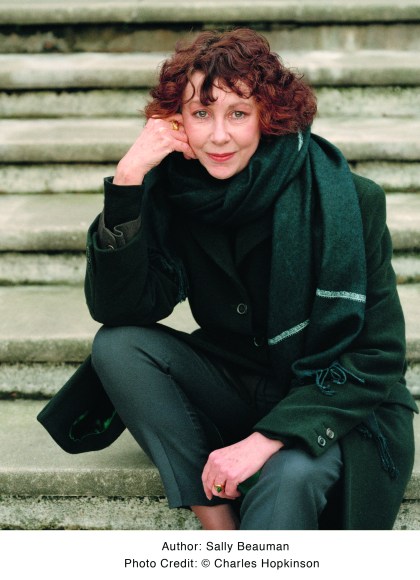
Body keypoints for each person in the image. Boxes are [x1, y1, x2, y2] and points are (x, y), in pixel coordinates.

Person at [38, 28, 418, 530]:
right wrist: (129, 179)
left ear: (268, 115)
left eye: (238, 114)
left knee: (290, 475)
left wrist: (264, 441)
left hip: (326, 393)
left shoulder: (350, 199)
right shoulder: (177, 192)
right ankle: (217, 522)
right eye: (202, 114)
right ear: (177, 122)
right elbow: (120, 307)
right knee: (118, 345)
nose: (218, 136)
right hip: (238, 381)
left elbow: (379, 355)